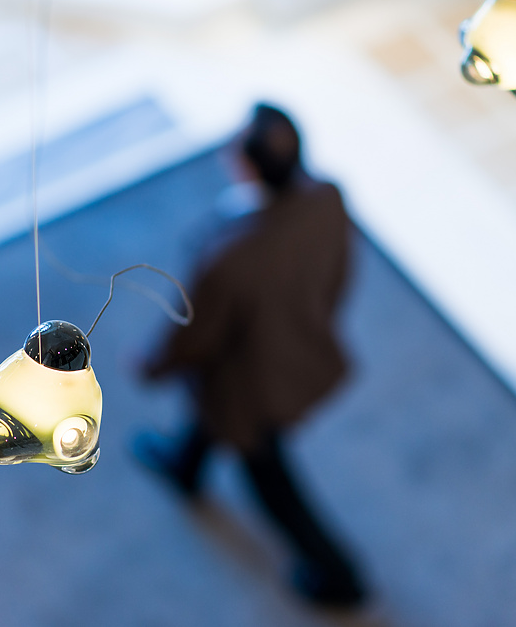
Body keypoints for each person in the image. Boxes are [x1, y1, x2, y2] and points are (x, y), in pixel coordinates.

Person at [133, 103, 366, 608]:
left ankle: (341, 576)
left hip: (252, 379)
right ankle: (184, 467)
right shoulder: (327, 199)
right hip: (300, 344)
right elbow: (338, 273)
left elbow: (193, 335)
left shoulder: (231, 260)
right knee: (211, 417)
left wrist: (153, 366)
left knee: (266, 470)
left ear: (248, 166)